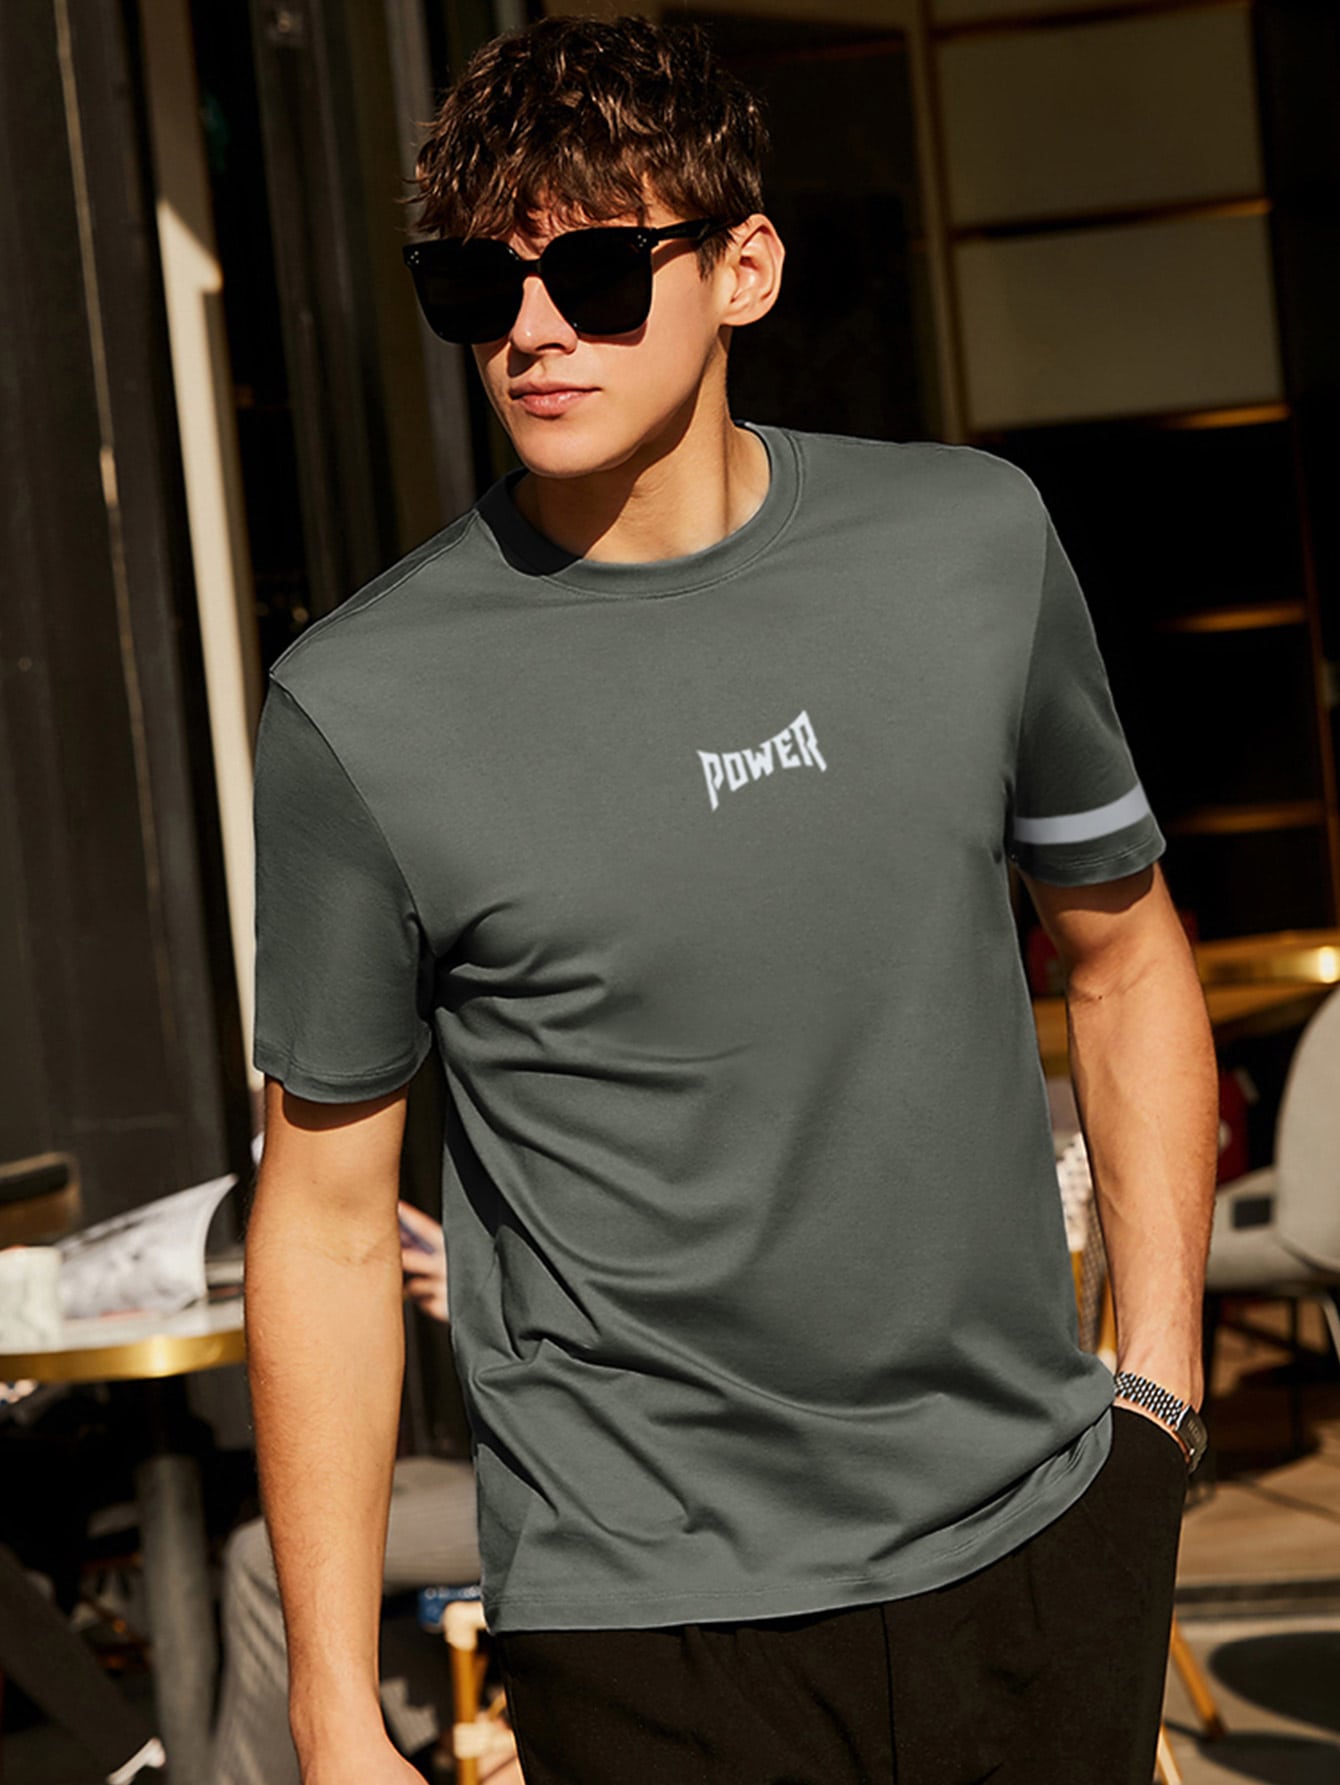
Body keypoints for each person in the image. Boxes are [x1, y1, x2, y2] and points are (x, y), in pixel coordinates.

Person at [245, 14, 1219, 1785]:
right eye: (477, 286)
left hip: (1036, 1534)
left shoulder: (972, 547)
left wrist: (1158, 1385)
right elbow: (322, 1217)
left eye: (597, 274)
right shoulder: (360, 706)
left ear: (744, 269)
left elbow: (1126, 952)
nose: (533, 330)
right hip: (647, 1610)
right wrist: (331, 1706)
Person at [208, 1200, 481, 1785]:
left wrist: (481, 1295)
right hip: (484, 1467)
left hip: (580, 1483)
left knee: (266, 1557)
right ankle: (435, 1749)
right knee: (337, 1511)